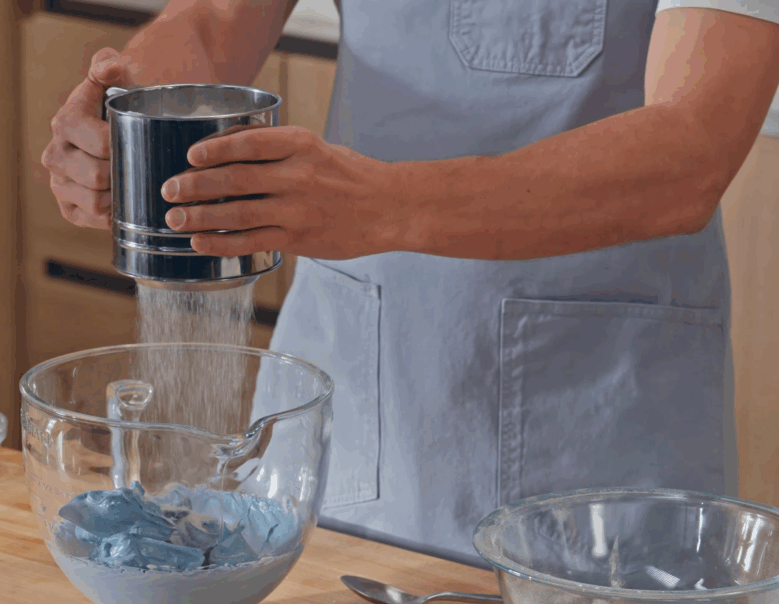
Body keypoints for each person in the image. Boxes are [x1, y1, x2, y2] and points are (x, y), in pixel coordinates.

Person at [40, 0, 779, 567]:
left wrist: (385, 205)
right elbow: (211, 19)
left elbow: (691, 148)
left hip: (598, 438)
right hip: (353, 408)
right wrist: (135, 111)